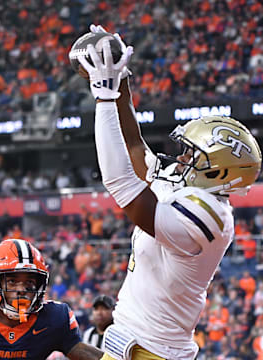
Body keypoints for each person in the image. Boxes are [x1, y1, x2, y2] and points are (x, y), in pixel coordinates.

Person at [77, 25, 262, 360]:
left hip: (156, 353)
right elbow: (135, 147)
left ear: (218, 172)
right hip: (128, 340)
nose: (182, 157)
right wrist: (121, 84)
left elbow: (121, 183)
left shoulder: (211, 217)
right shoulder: (188, 183)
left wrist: (103, 96)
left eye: (193, 155)